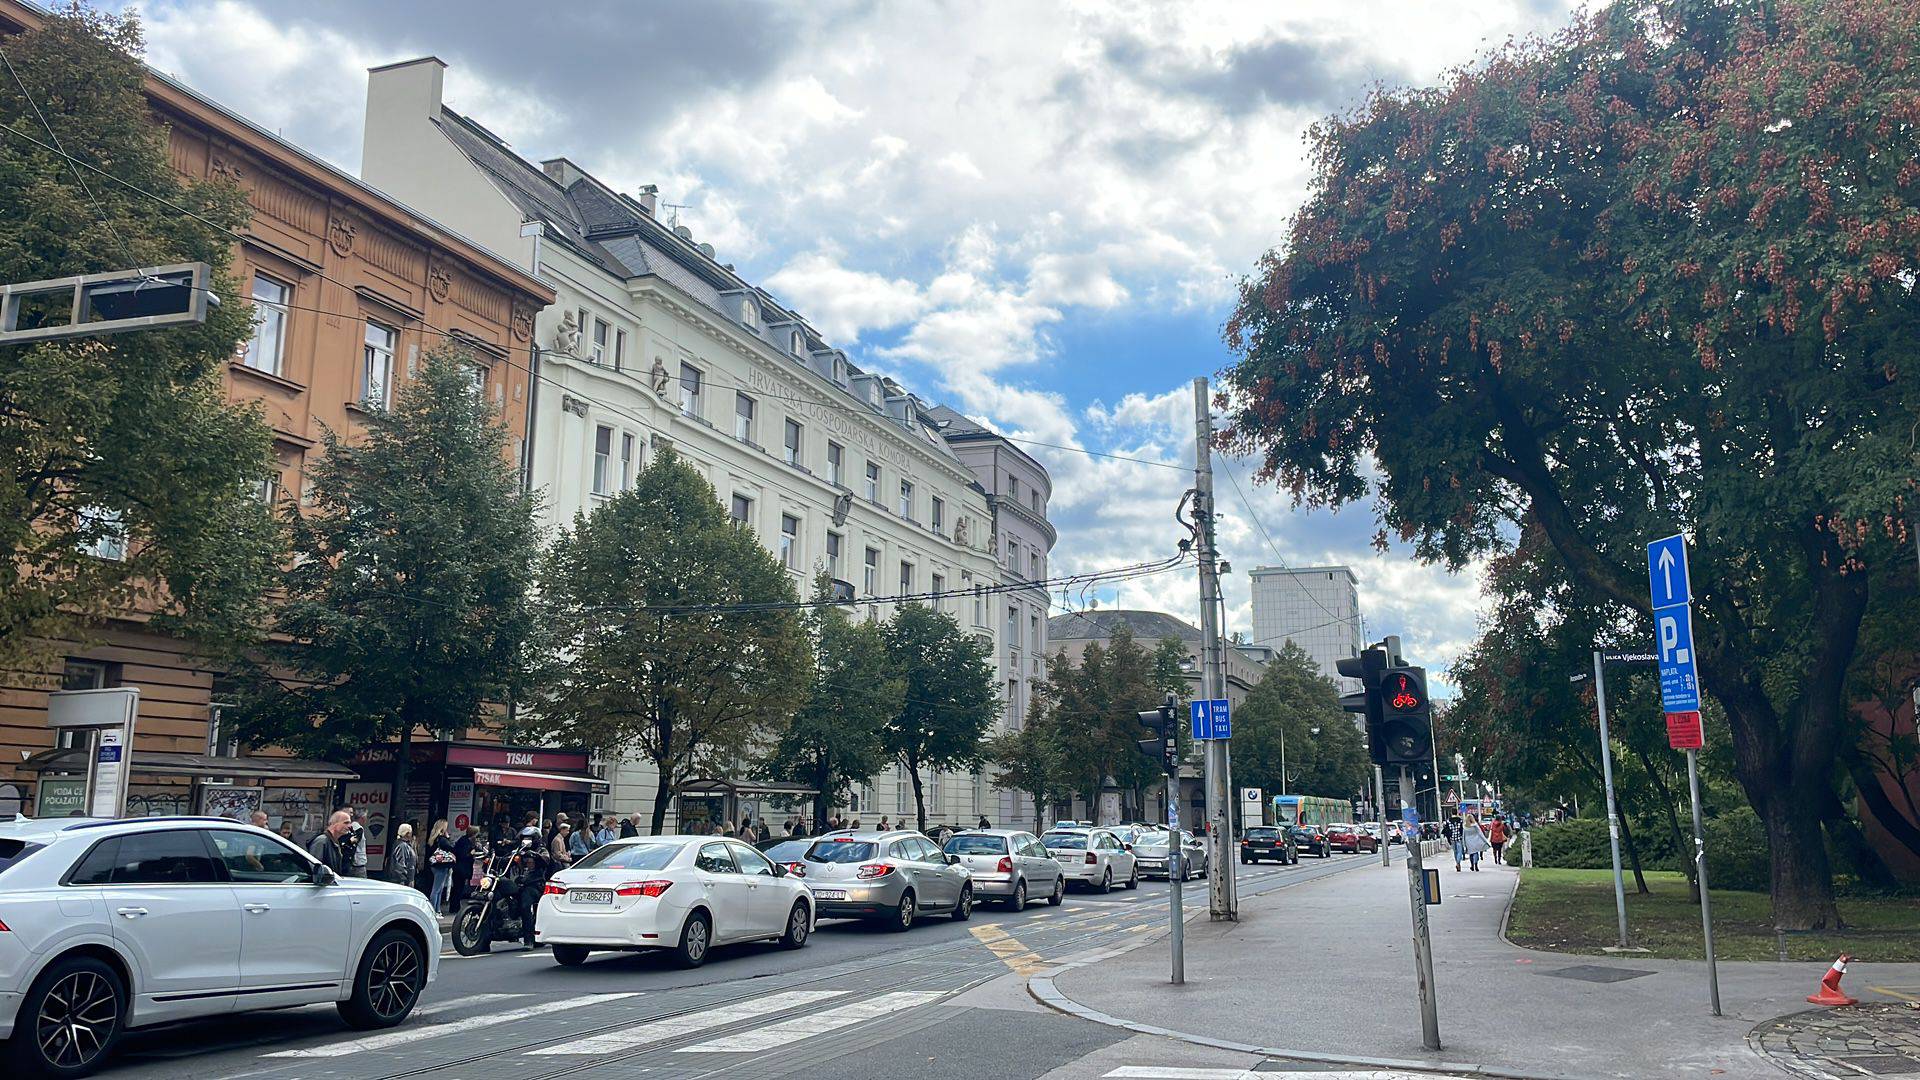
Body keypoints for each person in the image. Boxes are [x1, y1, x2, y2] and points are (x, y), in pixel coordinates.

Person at [426, 819, 455, 911]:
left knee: (439, 888)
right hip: (441, 865)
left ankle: (437, 909)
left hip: (435, 864)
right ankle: (434, 910)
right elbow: (451, 847)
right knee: (437, 889)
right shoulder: (442, 839)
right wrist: (448, 838)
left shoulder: (434, 839)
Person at [451, 824, 478, 909]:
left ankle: (455, 906)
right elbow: (462, 855)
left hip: (461, 868)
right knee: (458, 888)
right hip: (460, 869)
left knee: (458, 888)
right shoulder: (464, 842)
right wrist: (471, 853)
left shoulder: (465, 840)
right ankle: (454, 907)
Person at [389, 822, 419, 887]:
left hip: (403, 879)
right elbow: (400, 864)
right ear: (408, 833)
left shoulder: (402, 844)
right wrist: (405, 880)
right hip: (401, 881)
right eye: (411, 832)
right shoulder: (402, 846)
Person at [347, 809, 369, 877]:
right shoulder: (358, 828)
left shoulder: (352, 826)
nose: (366, 820)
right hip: (357, 864)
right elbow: (352, 845)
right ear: (362, 818)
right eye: (366, 817)